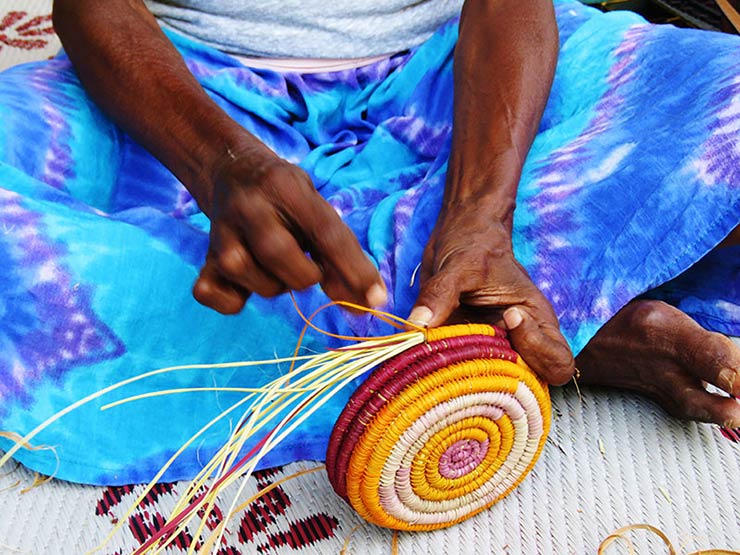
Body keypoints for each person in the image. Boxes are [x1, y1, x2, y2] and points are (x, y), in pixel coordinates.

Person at [0, 0, 738, 484]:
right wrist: (217, 165)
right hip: (180, 87)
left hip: (458, 73)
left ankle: (432, 318)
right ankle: (557, 319)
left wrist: (482, 212)